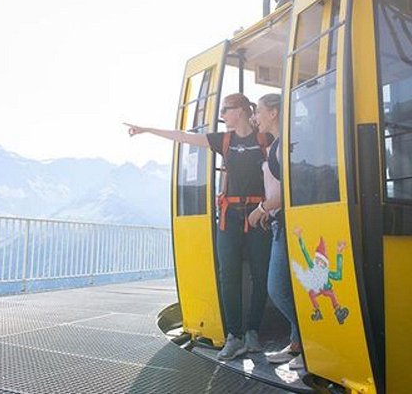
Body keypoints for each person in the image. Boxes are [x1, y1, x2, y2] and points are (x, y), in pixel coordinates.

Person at [125, 93, 272, 361]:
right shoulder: (223, 140)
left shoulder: (263, 139)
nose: (223, 115)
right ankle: (235, 336)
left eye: (226, 110)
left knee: (261, 276)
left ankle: (252, 332)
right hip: (229, 218)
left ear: (239, 110)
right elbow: (183, 136)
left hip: (258, 217)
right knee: (228, 275)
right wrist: (147, 130)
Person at [247, 93, 304, 370]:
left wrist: (261, 209)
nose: (255, 117)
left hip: (288, 221)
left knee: (277, 288)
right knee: (292, 287)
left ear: (274, 112)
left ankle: (311, 342)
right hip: (281, 221)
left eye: (258, 110)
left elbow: (288, 192)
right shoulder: (279, 145)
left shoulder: (284, 146)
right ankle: (298, 344)